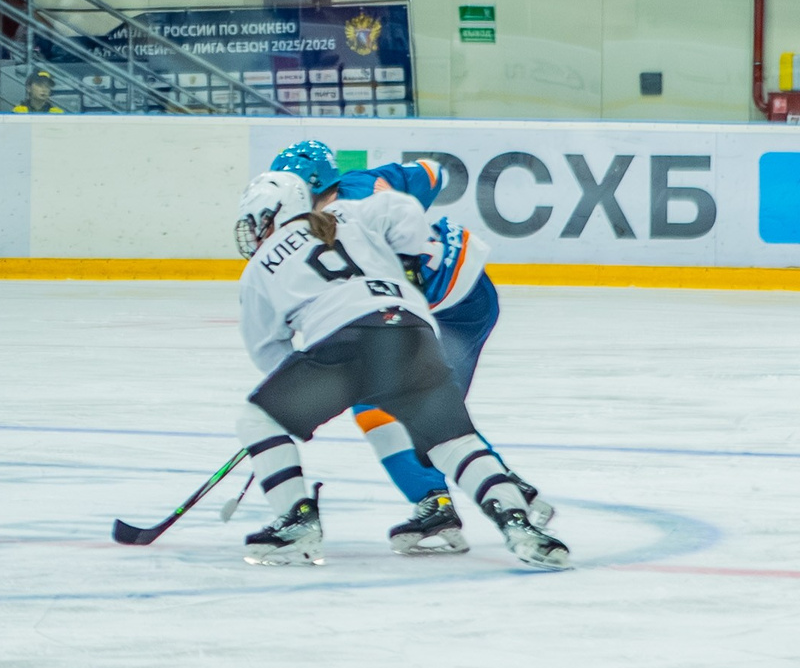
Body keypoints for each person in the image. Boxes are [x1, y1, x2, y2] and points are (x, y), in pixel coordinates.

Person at [230, 169, 568, 570]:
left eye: (255, 223)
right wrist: (407, 256)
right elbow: (402, 207)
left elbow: (269, 352)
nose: (254, 233)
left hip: (344, 344)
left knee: (258, 420)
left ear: (272, 214)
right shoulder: (347, 215)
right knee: (453, 442)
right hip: (411, 331)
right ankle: (518, 524)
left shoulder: (259, 267)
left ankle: (295, 523)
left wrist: (302, 391)